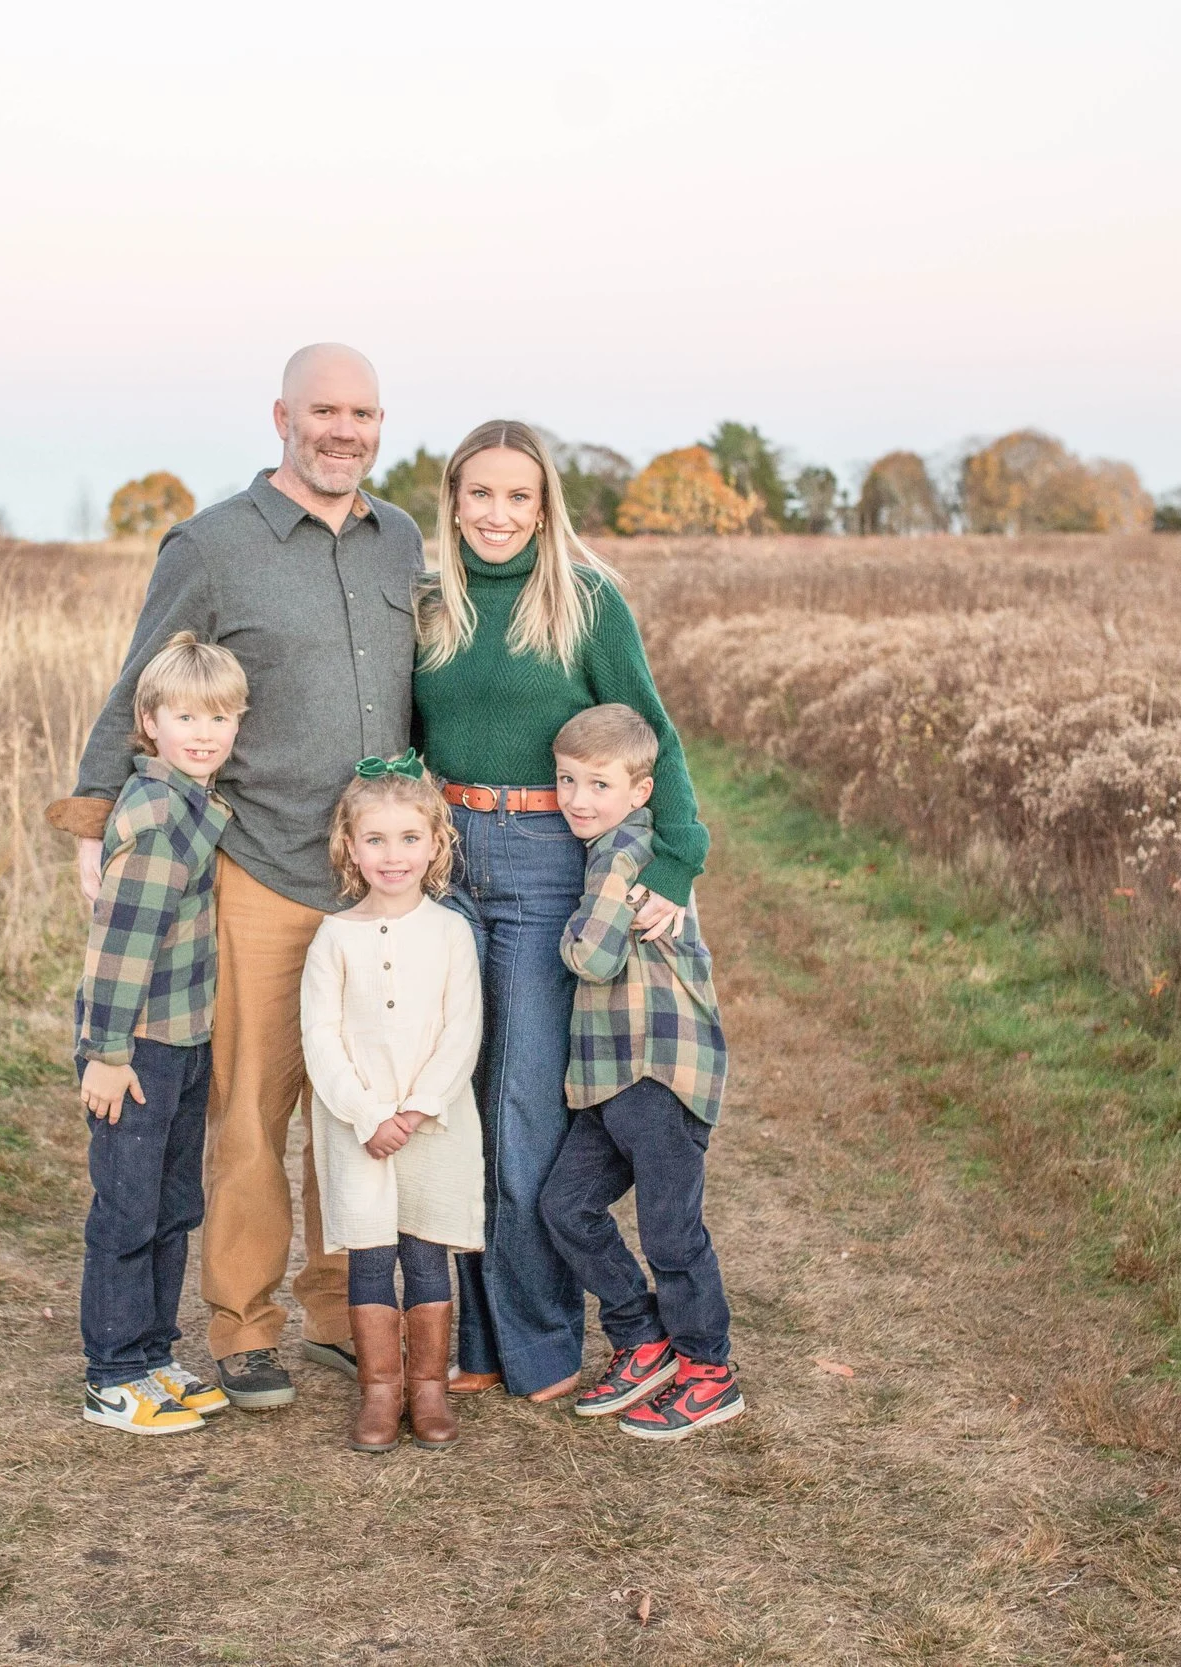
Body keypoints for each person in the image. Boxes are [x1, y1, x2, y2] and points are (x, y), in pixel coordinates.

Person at [50, 344, 422, 1408]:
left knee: (358, 1111)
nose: (343, 430)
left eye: (362, 412)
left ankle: (344, 1308)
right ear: (281, 417)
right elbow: (137, 684)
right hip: (257, 867)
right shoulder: (212, 545)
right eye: (323, 411)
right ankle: (245, 1324)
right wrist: (93, 819)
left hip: (373, 880)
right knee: (252, 1111)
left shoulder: (401, 541)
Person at [408, 421, 706, 1399]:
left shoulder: (584, 600)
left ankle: (537, 1341)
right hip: (446, 856)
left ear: (545, 507)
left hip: (545, 864)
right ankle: (473, 1343)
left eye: (518, 497)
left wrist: (676, 854)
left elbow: (650, 731)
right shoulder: (427, 604)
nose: (498, 514)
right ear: (452, 499)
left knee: (526, 1107)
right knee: (451, 1101)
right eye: (480, 494)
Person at [537, 703, 743, 1440]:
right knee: (566, 1205)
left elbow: (589, 955)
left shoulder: (629, 852)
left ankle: (708, 1372)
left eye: (598, 782)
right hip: (607, 1077)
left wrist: (567, 923)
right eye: (566, 780)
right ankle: (642, 1334)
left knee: (671, 1233)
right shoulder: (609, 851)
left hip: (657, 1071)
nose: (578, 799)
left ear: (640, 790)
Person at [70, 632, 248, 1434]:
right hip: (136, 1049)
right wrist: (107, 1054)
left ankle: (152, 1352)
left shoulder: (191, 805)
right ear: (149, 721)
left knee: (173, 1204)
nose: (204, 732)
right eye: (186, 716)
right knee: (127, 1210)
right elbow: (118, 950)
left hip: (181, 1041)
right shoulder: (154, 814)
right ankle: (112, 1374)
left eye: (219, 717)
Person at [298, 756, 484, 1451]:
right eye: (375, 839)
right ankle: (381, 1388)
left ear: (437, 843)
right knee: (371, 1256)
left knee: (427, 1252)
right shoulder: (334, 936)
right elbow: (322, 1036)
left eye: (409, 838)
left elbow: (461, 1030)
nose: (393, 854)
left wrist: (415, 1107)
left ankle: (428, 1386)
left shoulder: (450, 933)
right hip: (360, 1128)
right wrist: (369, 1113)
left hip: (433, 1126)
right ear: (348, 846)